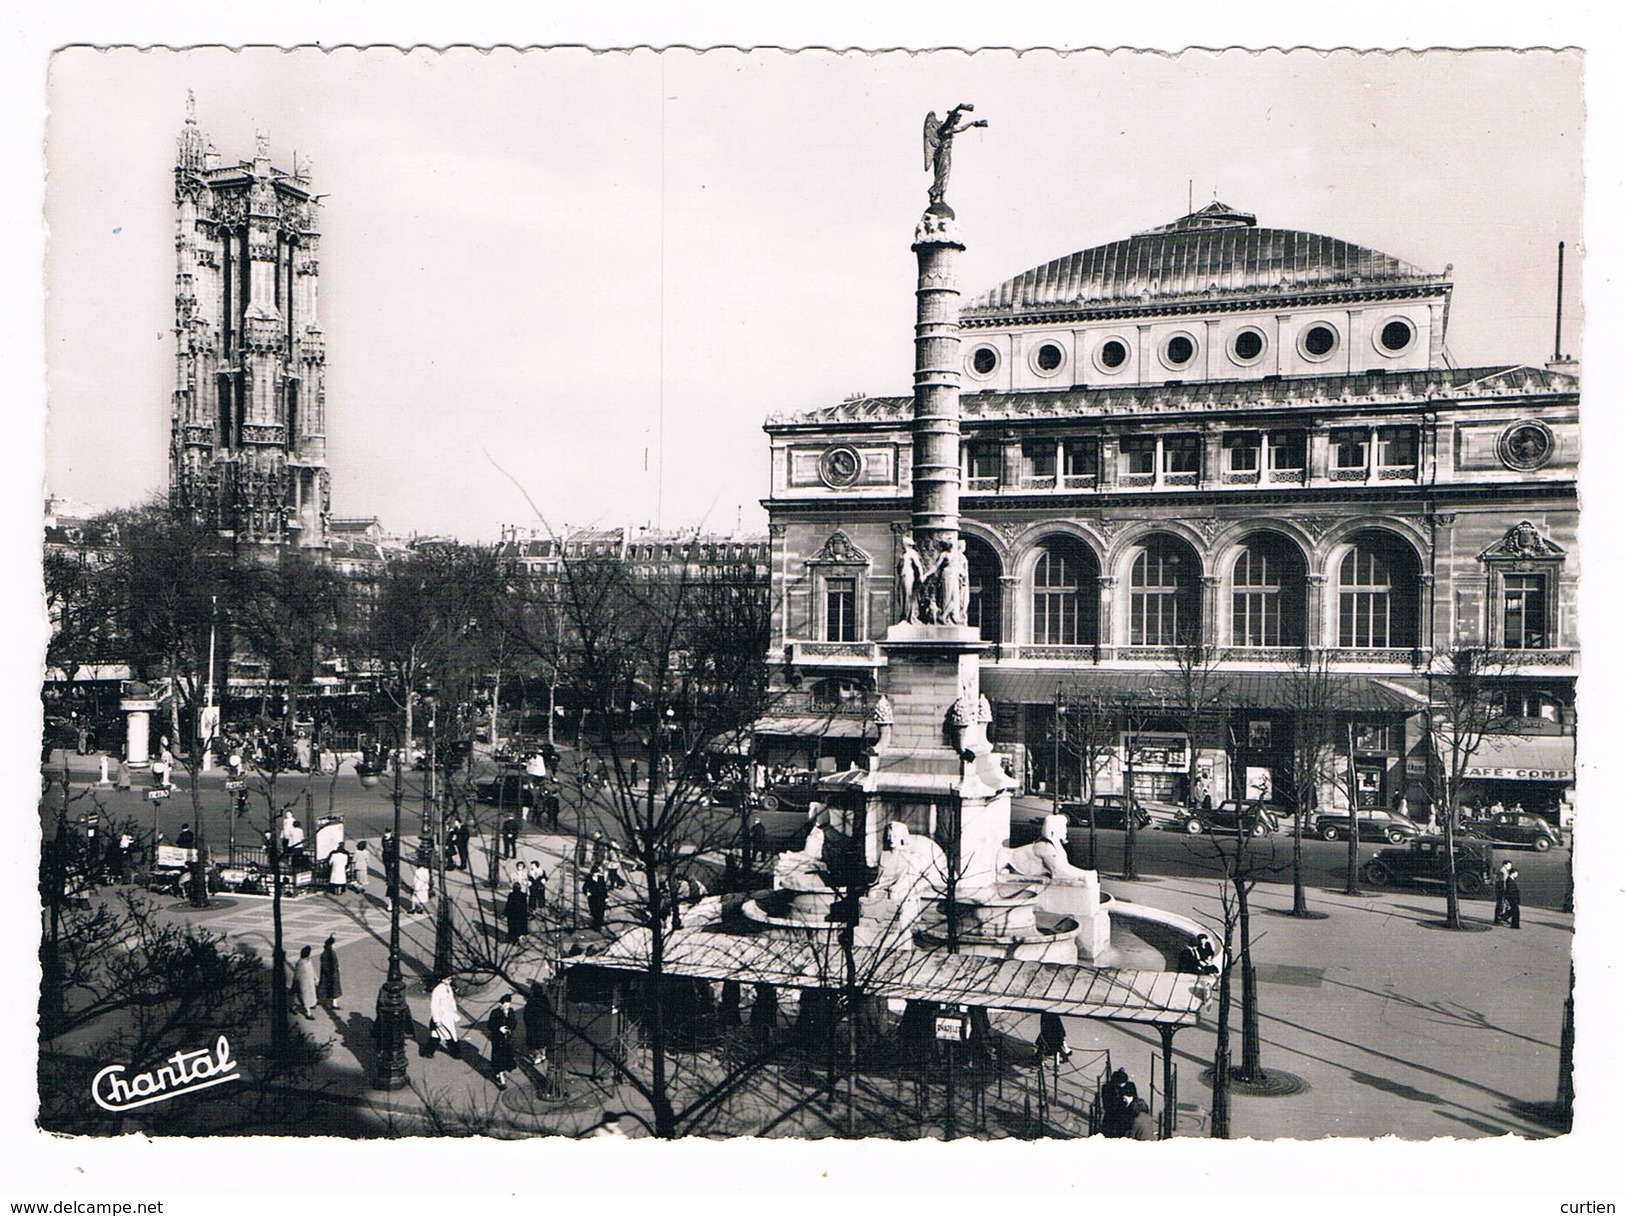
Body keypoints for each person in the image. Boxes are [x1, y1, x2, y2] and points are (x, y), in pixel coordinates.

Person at [487, 993, 518, 1090]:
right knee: (499, 1058)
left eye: (508, 1005)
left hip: (507, 1039)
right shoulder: (495, 1012)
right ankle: (501, 1080)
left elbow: (514, 1023)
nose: (506, 1007)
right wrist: (499, 1028)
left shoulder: (511, 1011)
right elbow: (490, 1025)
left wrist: (509, 1028)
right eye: (505, 1005)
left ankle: (499, 1071)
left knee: (505, 1056)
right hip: (497, 1039)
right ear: (500, 1004)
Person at [523, 981, 555, 1068]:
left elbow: (527, 1014)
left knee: (535, 1043)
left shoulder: (531, 1002)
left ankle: (537, 1057)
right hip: (544, 1025)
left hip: (534, 1026)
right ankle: (543, 1055)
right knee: (543, 1042)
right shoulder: (544, 1000)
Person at [428, 976, 461, 1058]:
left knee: (436, 1035)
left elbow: (451, 1000)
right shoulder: (437, 990)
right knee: (449, 1035)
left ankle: (428, 1051)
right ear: (442, 979)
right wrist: (436, 1019)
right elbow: (434, 1006)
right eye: (448, 979)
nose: (449, 981)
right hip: (441, 1017)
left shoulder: (448, 987)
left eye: (450, 979)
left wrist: (454, 1011)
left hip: (448, 1016)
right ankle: (455, 1052)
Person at [290, 945, 318, 1021]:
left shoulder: (308, 961)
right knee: (304, 998)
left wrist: (315, 978)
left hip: (309, 982)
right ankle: (308, 1013)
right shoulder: (300, 964)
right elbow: (297, 975)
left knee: (301, 997)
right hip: (303, 983)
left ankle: (293, 1007)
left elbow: (312, 969)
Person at [318, 935, 343, 1013]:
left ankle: (333, 1003)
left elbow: (335, 962)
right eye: (333, 944)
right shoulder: (326, 954)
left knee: (333, 990)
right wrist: (332, 973)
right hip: (329, 975)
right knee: (329, 989)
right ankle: (327, 1003)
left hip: (333, 974)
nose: (335, 946)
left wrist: (338, 967)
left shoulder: (331, 953)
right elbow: (326, 966)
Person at [585, 865, 609, 930]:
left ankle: (599, 924)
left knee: (601, 911)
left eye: (596, 873)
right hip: (592, 897)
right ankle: (595, 924)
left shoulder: (601, 878)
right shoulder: (589, 878)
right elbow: (585, 887)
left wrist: (606, 897)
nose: (595, 874)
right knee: (594, 911)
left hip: (601, 897)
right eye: (594, 873)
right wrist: (587, 893)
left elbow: (604, 888)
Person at [1502, 863, 1522, 929]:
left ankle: (1504, 916)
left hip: (1513, 899)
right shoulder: (1510, 881)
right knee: (1516, 912)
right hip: (1512, 899)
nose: (1517, 875)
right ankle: (1515, 925)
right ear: (1513, 873)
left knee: (1513, 911)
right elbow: (1510, 891)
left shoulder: (1510, 880)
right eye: (1516, 873)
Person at [1493, 859, 1514, 924]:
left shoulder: (1505, 871)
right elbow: (1501, 882)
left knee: (1505, 904)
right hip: (1501, 891)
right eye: (1509, 865)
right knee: (1501, 904)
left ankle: (1503, 917)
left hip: (1502, 890)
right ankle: (1498, 919)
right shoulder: (1502, 871)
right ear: (1505, 865)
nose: (1510, 867)